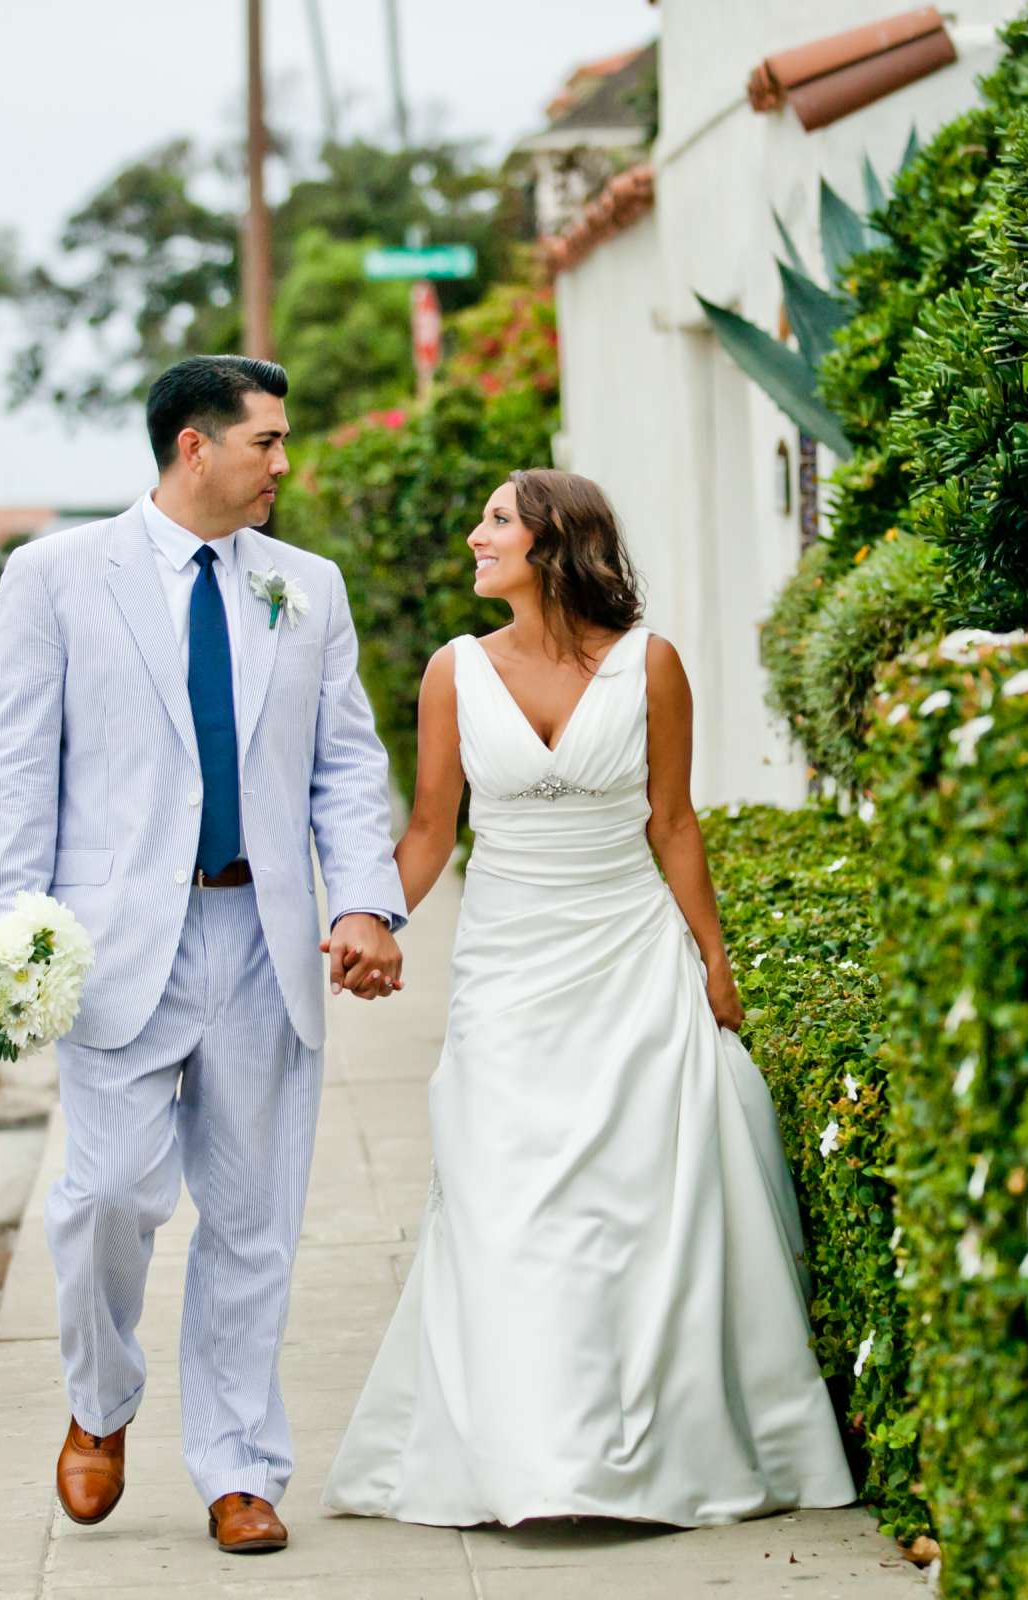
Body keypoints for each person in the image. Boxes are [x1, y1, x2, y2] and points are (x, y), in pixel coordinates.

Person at [324, 468, 856, 1527]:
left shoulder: (652, 667)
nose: (476, 536)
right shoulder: (453, 673)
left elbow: (673, 823)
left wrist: (714, 956)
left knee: (633, 1204)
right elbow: (432, 831)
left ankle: (645, 1444)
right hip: (509, 969)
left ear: (555, 544)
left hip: (628, 957)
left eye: (496, 521)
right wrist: (372, 916)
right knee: (504, 1199)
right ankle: (525, 1455)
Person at [0, 355, 409, 1556]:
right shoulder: (57, 576)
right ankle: (99, 1401)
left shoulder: (307, 588)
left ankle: (239, 1469)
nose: (284, 463)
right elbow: (16, 768)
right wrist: (6, 941)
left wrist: (366, 898)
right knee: (108, 1194)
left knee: (254, 1220)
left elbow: (345, 763)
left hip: (261, 941)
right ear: (194, 448)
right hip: (114, 947)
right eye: (266, 440)